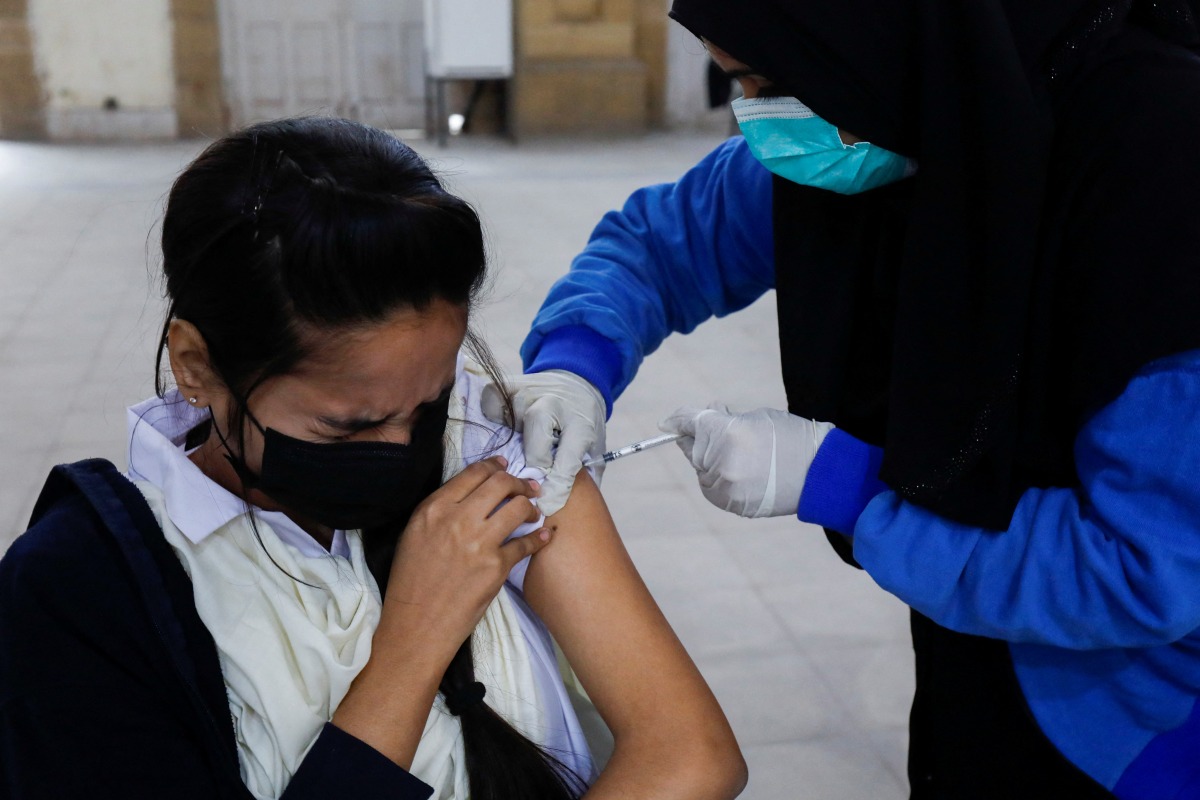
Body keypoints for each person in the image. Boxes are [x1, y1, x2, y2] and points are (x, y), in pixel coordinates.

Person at [490, 1, 1200, 798]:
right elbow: (661, 244)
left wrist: (841, 486)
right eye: (736, 79)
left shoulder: (1160, 191)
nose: (758, 118)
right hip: (973, 647)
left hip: (1141, 722)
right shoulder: (896, 106)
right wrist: (575, 362)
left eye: (759, 79)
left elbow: (1146, 572)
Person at [0, 117, 747, 800]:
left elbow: (691, 754)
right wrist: (415, 642)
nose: (402, 449)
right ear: (197, 366)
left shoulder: (489, 460)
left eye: (428, 401)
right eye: (346, 425)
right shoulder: (83, 589)